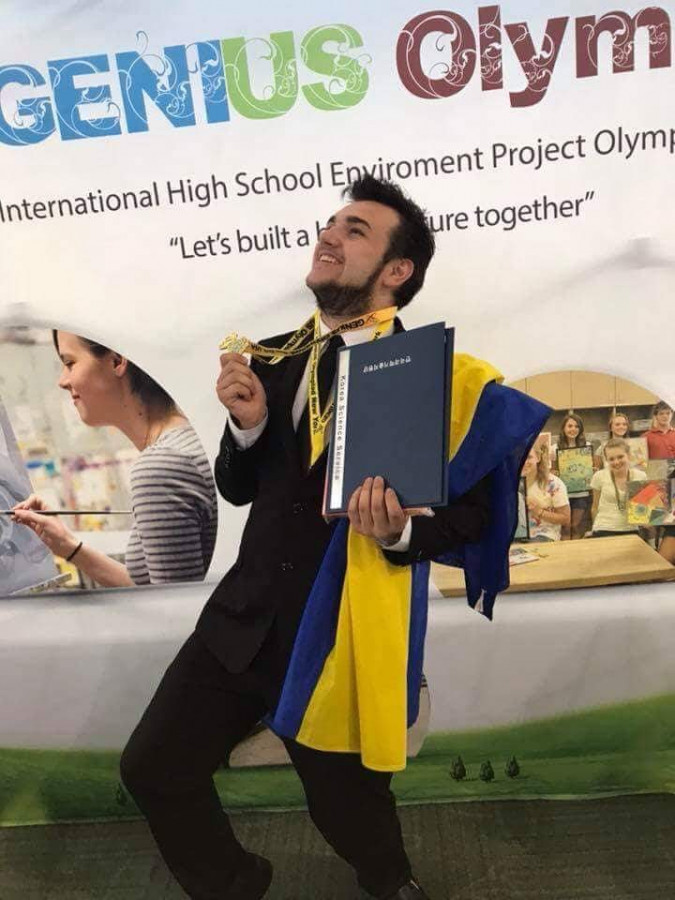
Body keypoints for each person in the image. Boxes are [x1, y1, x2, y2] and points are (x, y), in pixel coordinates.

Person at [119, 176, 501, 900]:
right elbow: (238, 487)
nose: (329, 235)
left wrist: (399, 533)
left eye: (355, 230)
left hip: (337, 632)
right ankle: (236, 883)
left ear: (397, 270)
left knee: (348, 807)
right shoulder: (269, 359)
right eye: (330, 223)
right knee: (153, 767)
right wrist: (246, 427)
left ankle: (390, 883)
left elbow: (473, 517)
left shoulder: (434, 379)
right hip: (242, 619)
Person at [11, 332, 217, 586]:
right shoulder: (184, 441)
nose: (62, 381)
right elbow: (155, 589)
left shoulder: (159, 468)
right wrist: (68, 545)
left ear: (117, 360)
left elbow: (171, 606)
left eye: (70, 363)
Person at [590, 438, 647, 536]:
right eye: (611, 459)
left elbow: (644, 509)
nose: (616, 462)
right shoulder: (599, 476)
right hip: (603, 528)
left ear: (628, 455)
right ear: (606, 460)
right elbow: (595, 507)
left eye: (620, 457)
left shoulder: (640, 476)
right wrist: (593, 529)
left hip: (631, 529)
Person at [552, 413, 592, 539]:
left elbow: (591, 469)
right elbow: (551, 471)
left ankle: (576, 549)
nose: (573, 429)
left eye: (576, 426)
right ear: (563, 428)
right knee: (565, 526)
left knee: (575, 525)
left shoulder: (587, 446)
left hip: (581, 493)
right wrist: (554, 472)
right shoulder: (554, 448)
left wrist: (591, 470)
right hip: (561, 494)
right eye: (570, 426)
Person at [522, 444, 570, 541]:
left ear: (538, 458)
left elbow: (565, 519)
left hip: (544, 534)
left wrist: (539, 511)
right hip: (515, 535)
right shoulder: (507, 484)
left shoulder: (554, 484)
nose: (524, 462)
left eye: (529, 457)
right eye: (519, 458)